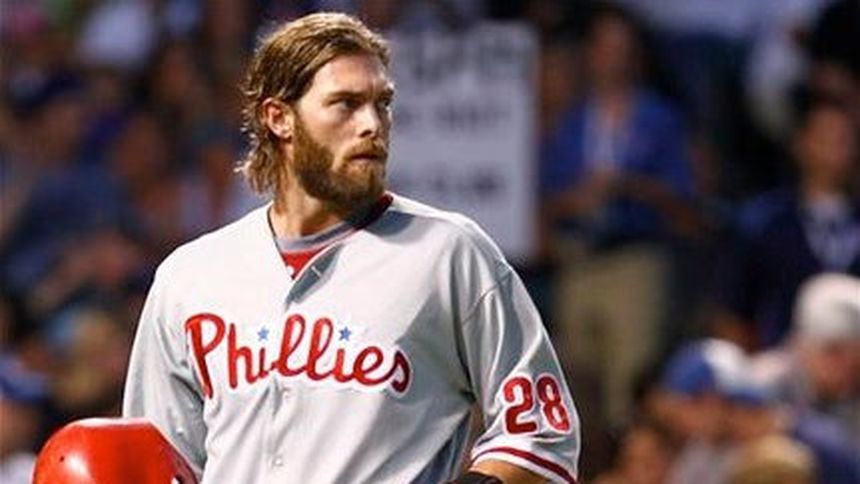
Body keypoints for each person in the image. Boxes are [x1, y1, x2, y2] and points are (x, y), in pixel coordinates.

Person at [123, 12, 579, 484]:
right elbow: (158, 465)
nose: (372, 124)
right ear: (279, 118)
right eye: (346, 104)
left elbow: (542, 434)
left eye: (382, 104)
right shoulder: (190, 278)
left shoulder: (448, 254)